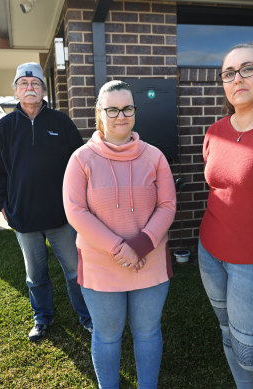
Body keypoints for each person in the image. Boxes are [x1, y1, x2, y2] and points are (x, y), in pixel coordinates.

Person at [62, 80, 176, 389]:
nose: (120, 116)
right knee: (108, 335)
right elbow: (75, 211)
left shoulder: (155, 157)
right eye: (112, 109)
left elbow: (167, 205)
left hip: (149, 263)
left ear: (135, 112)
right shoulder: (81, 160)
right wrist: (119, 248)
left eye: (127, 108)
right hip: (101, 267)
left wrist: (139, 246)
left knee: (148, 332)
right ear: (99, 112)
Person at [0, 62, 92, 342]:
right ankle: (43, 318)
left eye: (35, 84)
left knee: (74, 271)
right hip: (24, 218)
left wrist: (79, 204)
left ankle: (87, 316)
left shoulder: (61, 123)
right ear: (15, 91)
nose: (29, 88)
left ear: (44, 90)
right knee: (36, 276)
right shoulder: (4, 128)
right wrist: (3, 207)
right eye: (23, 84)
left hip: (61, 217)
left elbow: (81, 165)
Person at [198, 43, 253, 388]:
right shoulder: (215, 132)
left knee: (250, 351)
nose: (237, 78)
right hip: (210, 251)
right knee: (226, 331)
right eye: (229, 73)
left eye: (247, 68)